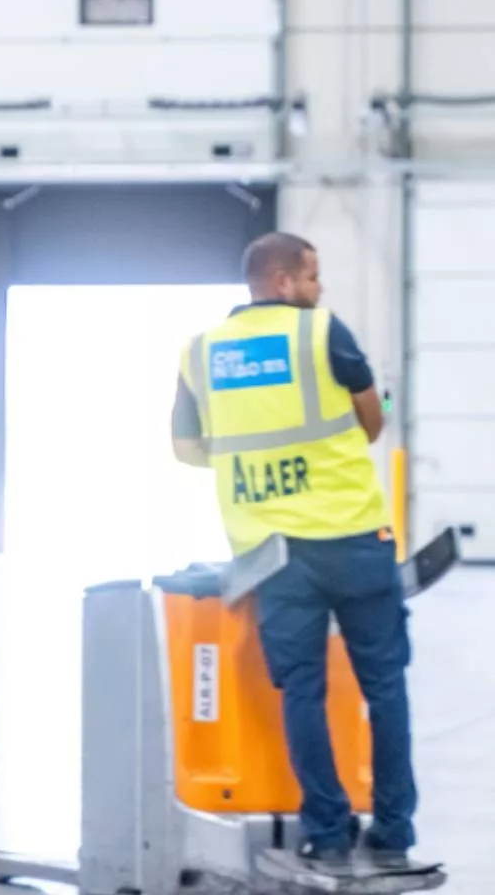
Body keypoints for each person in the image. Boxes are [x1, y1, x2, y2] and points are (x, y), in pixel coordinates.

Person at [172, 232, 415, 870]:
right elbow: (370, 421)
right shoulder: (322, 334)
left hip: (273, 554)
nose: (319, 288)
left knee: (301, 690)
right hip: (355, 539)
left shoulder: (200, 353)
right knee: (383, 686)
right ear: (282, 283)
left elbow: (187, 447)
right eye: (312, 277)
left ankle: (328, 834)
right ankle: (392, 831)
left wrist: (251, 459)